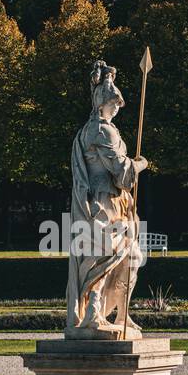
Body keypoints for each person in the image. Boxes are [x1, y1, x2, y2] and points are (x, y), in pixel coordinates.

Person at [66, 60, 148, 338]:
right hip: (104, 203)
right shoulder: (102, 131)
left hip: (116, 202)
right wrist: (140, 164)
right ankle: (93, 313)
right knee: (104, 257)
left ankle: (121, 312)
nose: (117, 108)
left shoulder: (95, 129)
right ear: (103, 104)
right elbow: (121, 170)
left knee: (131, 256)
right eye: (114, 104)